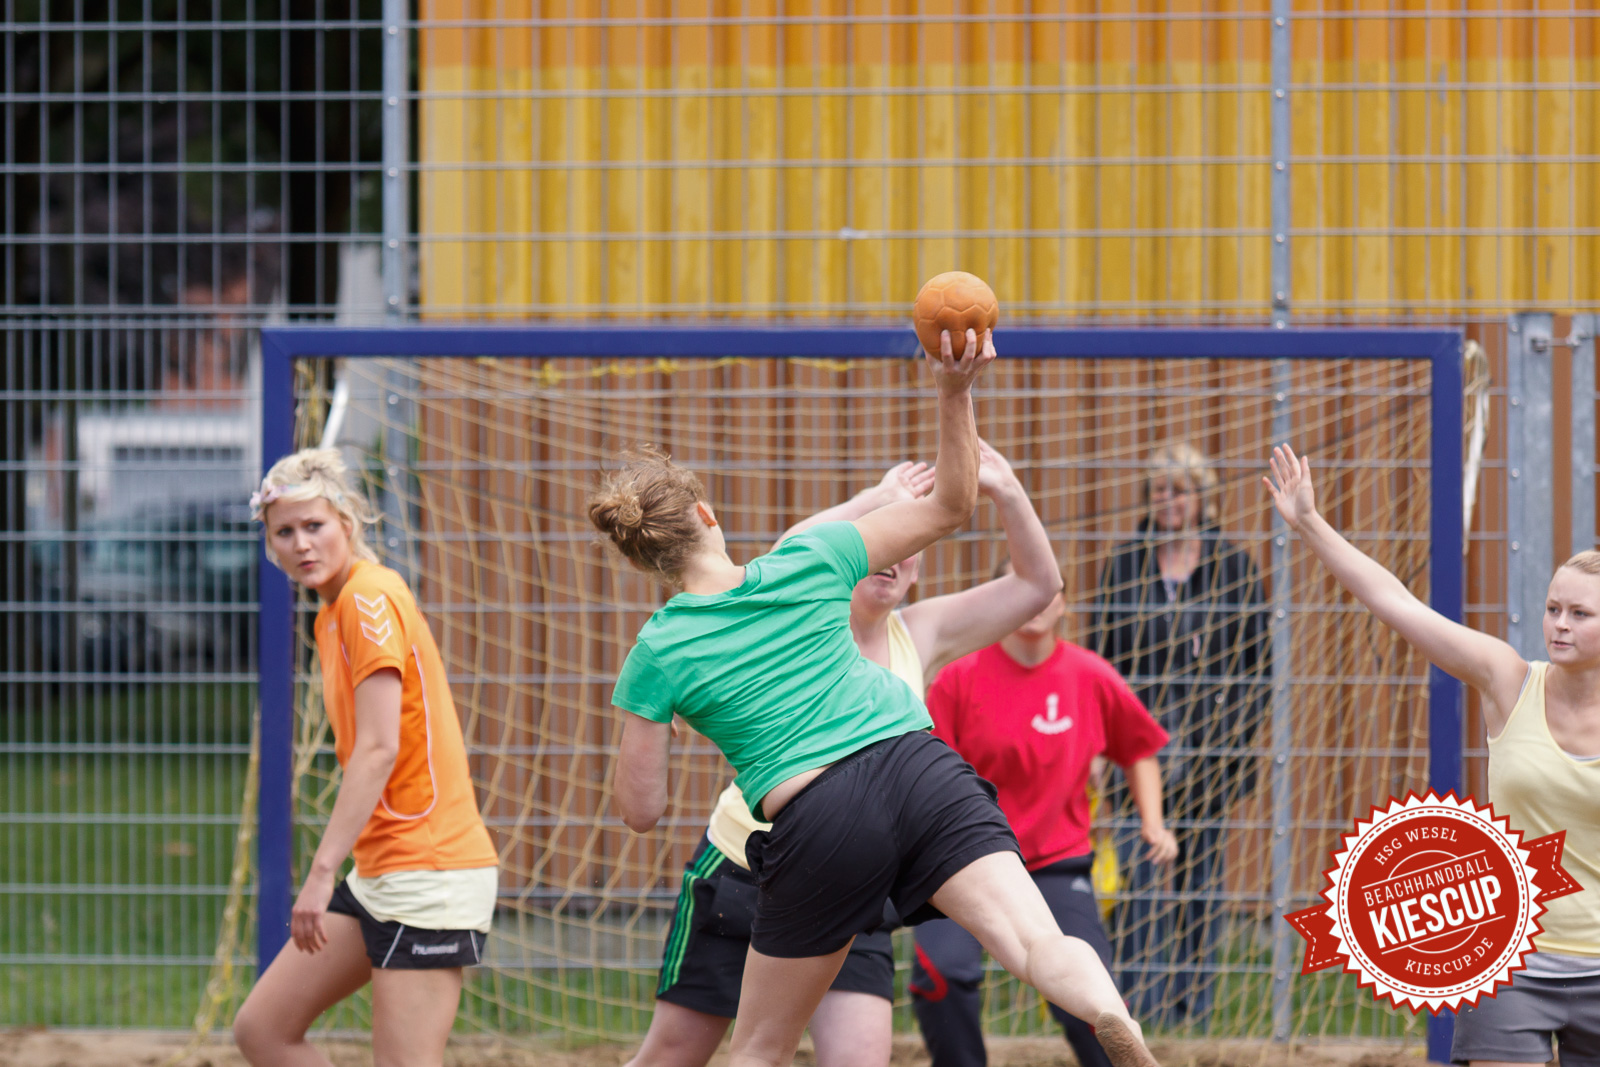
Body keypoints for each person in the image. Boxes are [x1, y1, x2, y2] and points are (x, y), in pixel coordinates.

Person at [591, 328, 1160, 1067]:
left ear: (641, 559)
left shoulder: (658, 650)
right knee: (1038, 940)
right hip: (920, 765)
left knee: (759, 1044)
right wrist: (953, 392)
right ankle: (1113, 1018)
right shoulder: (810, 556)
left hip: (820, 812)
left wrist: (658, 713)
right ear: (706, 517)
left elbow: (641, 812)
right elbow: (954, 505)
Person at [631, 441, 1063, 1067]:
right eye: (892, 544)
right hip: (745, 868)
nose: (899, 562)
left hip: (852, 874)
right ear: (866, 547)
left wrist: (1007, 490)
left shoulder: (919, 631)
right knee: (676, 1053)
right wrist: (879, 497)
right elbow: (798, 541)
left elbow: (1037, 586)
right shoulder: (792, 591)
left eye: (914, 554)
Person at [1263, 444, 1600, 1067]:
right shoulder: (1509, 679)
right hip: (1513, 961)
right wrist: (1310, 522)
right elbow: (1399, 604)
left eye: (1580, 614)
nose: (1559, 624)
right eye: (1554, 608)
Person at [233, 448, 500, 1067]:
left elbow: (380, 748)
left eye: (315, 525)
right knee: (264, 1029)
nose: (301, 542)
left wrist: (321, 872)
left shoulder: (367, 598)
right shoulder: (333, 611)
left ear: (348, 523)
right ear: (269, 545)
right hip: (381, 873)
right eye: (285, 532)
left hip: (428, 873)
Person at [911, 558, 1177, 1067]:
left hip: (1057, 861)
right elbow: (927, 768)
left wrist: (1154, 822)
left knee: (1094, 998)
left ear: (1062, 602)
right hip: (968, 863)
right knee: (941, 974)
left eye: (1046, 590)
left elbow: (1140, 747)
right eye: (1020, 587)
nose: (1035, 603)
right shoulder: (959, 678)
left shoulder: (1090, 676)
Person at [1091, 443, 1270, 1029]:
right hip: (1136, 745)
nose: (1171, 500)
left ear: (1203, 496)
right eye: (1160, 489)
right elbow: (1102, 657)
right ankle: (1138, 1004)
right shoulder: (1124, 565)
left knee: (1200, 877)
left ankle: (1195, 1006)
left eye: (1182, 488)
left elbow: (1257, 666)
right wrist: (1103, 740)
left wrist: (1234, 734)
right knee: (1141, 876)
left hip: (1210, 747)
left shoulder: (1234, 567)